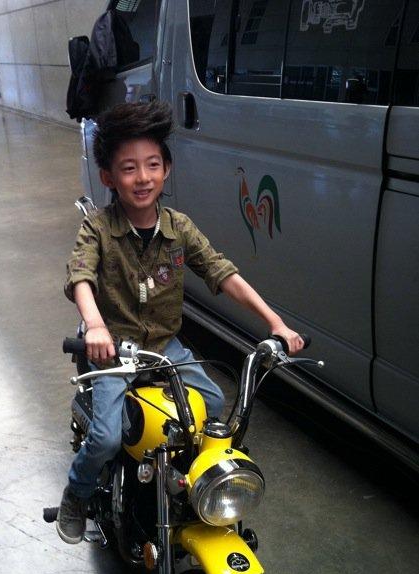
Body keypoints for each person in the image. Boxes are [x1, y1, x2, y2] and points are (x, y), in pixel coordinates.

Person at [57, 101, 304, 544]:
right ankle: (76, 495)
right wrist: (95, 326)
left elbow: (222, 273)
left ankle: (184, 487)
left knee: (211, 407)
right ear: (109, 177)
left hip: (164, 347)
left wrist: (276, 323)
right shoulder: (98, 228)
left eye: (153, 164)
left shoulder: (179, 227)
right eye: (129, 168)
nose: (143, 177)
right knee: (107, 439)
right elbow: (81, 277)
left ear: (166, 169)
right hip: (115, 350)